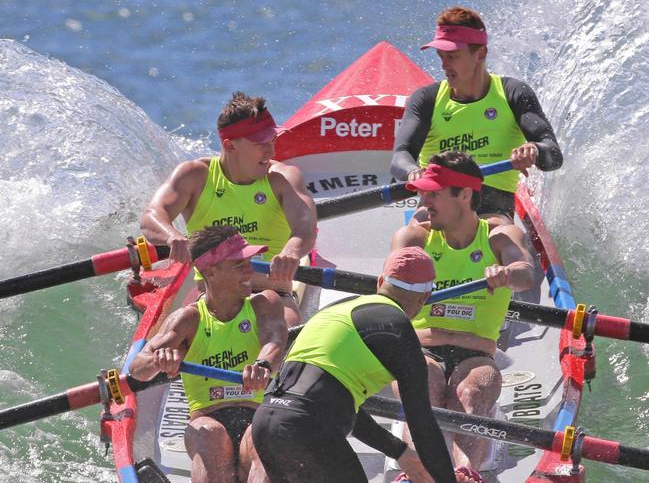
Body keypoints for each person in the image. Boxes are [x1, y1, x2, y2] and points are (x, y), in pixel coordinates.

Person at [251, 246, 460, 483]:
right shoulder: (398, 330)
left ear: (381, 282)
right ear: (425, 297)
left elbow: (331, 400)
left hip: (266, 421)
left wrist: (398, 451)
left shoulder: (335, 310)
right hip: (309, 426)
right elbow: (422, 424)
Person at [390, 151, 534, 482]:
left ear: (465, 195)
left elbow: (525, 272)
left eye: (434, 194)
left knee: (471, 392)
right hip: (420, 348)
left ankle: (465, 472)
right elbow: (390, 289)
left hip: (478, 354)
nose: (424, 201)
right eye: (423, 192)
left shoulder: (499, 236)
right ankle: (420, 473)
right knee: (424, 386)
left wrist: (507, 273)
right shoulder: (416, 239)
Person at [140, 91, 317, 327]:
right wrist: (172, 238)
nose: (271, 151)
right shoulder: (195, 176)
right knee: (170, 345)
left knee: (283, 336)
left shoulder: (284, 178)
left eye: (272, 141)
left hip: (273, 295)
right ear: (229, 145)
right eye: (260, 144)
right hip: (212, 298)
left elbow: (305, 227)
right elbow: (152, 216)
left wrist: (292, 253)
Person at [129, 225, 288, 483]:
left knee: (263, 434)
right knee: (211, 435)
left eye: (250, 261)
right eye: (239, 265)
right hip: (207, 419)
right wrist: (160, 360)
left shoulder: (265, 303)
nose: (251, 270)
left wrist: (263, 364)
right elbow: (138, 368)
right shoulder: (189, 319)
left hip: (257, 414)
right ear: (210, 271)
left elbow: (275, 340)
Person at [390, 6, 563, 223]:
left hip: (493, 203)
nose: (444, 65)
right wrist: (412, 172)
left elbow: (554, 156)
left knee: (504, 242)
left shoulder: (513, 94)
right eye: (441, 56)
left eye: (452, 56)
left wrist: (534, 149)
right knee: (408, 242)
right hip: (436, 203)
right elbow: (400, 155)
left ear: (480, 53)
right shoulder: (426, 99)